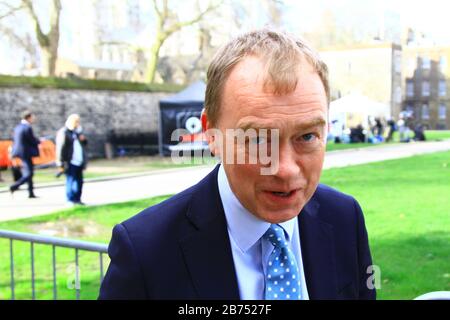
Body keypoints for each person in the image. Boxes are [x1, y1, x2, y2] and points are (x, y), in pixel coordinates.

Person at [99, 28, 376, 300]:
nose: (286, 169)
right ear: (211, 134)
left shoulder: (344, 218)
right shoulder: (145, 252)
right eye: (257, 139)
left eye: (306, 136)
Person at [56, 114, 88, 206]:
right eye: (76, 122)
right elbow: (60, 148)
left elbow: (84, 145)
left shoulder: (77, 133)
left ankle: (77, 199)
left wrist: (83, 139)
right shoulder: (64, 132)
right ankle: (70, 199)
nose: (77, 124)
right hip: (70, 161)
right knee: (70, 180)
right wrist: (60, 163)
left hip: (79, 161)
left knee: (79, 182)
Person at [9, 110, 40, 198]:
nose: (33, 119)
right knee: (29, 173)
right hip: (26, 153)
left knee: (28, 172)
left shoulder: (18, 127)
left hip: (20, 152)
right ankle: (14, 186)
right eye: (32, 117)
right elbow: (32, 140)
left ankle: (31, 193)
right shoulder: (27, 127)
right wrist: (39, 141)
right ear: (28, 117)